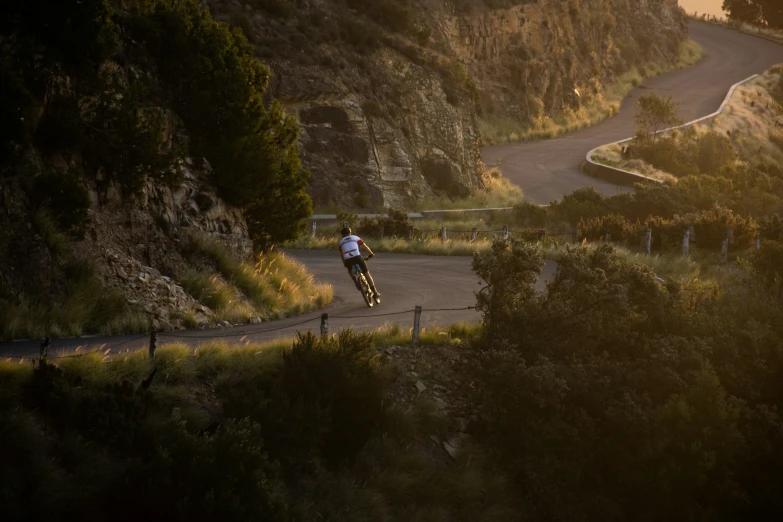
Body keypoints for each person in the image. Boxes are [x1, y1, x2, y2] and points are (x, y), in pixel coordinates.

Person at [338, 227, 380, 300]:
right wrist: (370, 254)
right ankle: (375, 292)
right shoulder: (355, 237)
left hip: (348, 259)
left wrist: (344, 263)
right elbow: (364, 246)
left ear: (342, 235)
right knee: (367, 274)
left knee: (349, 270)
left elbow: (342, 254)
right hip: (357, 257)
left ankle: (355, 280)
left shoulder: (341, 242)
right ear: (350, 233)